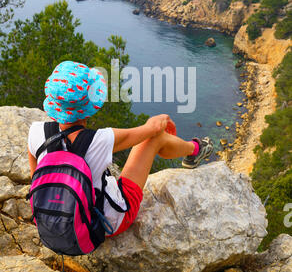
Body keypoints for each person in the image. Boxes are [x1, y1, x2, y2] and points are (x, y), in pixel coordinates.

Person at [28, 60, 213, 238]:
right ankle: (195, 150)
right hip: (102, 224)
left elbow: (35, 180)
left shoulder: (35, 132)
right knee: (154, 139)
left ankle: (194, 150)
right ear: (90, 104)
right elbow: (152, 130)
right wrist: (163, 118)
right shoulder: (100, 140)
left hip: (52, 221)